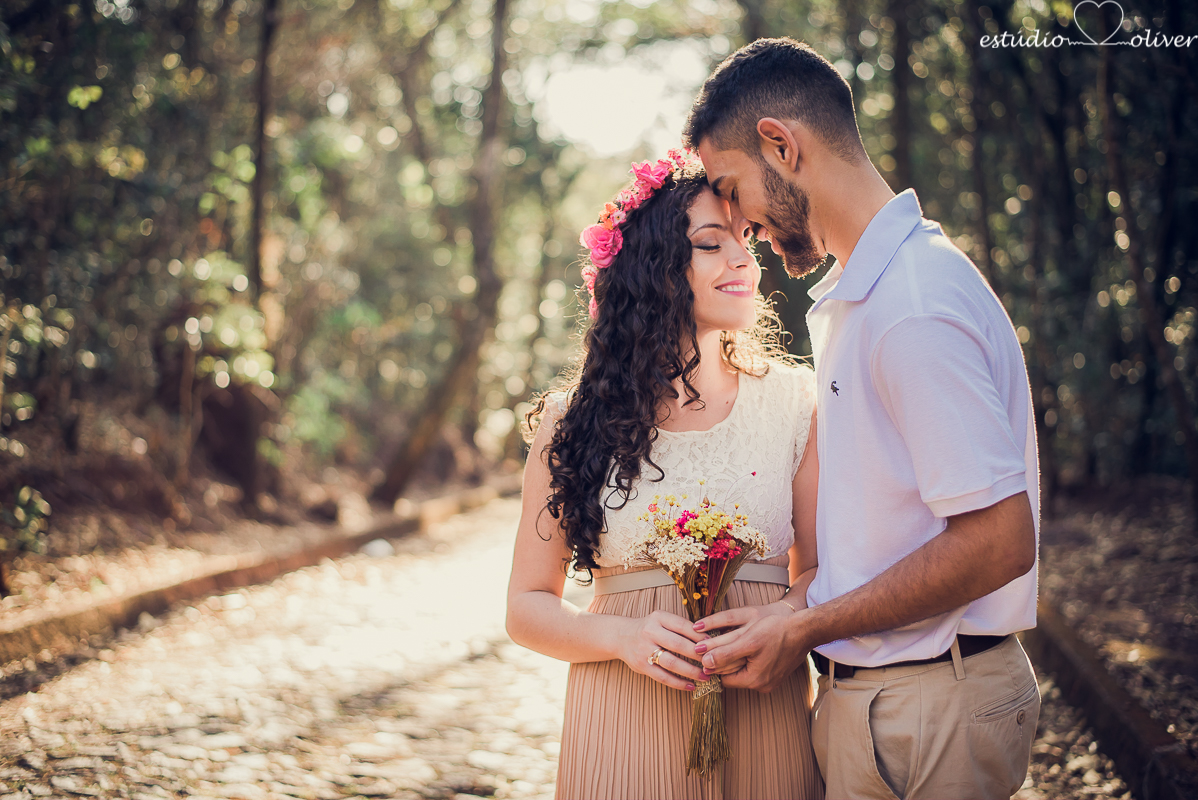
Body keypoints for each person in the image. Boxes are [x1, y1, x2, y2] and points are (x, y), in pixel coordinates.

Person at [683, 38, 1042, 800]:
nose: (741, 225)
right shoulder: (863, 297)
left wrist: (804, 627)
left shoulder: (912, 304)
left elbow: (1000, 541)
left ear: (781, 145)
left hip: (930, 709)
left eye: (733, 187)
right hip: (884, 703)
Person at [505, 151, 823, 800]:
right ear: (653, 271)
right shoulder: (573, 421)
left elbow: (820, 570)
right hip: (623, 719)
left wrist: (785, 622)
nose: (742, 260)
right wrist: (622, 638)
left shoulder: (796, 402)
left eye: (747, 240)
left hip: (764, 711)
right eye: (711, 244)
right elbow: (525, 607)